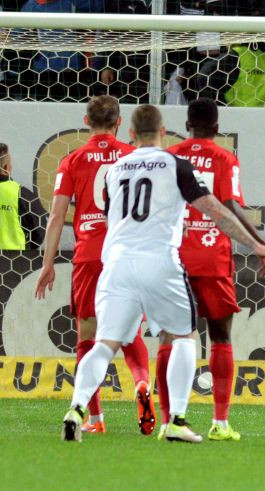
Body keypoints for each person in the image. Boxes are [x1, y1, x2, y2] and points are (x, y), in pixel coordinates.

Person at [60, 104, 265, 443]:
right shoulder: (175, 165)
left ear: (131, 134)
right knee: (184, 336)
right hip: (159, 261)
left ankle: (76, 408)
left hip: (116, 263)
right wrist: (258, 246)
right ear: (163, 132)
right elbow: (216, 211)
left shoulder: (115, 168)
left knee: (104, 343)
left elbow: (110, 210)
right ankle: (176, 419)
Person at [34, 96, 155, 435]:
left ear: (86, 121)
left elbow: (57, 215)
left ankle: (96, 419)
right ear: (120, 123)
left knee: (87, 336)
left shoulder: (72, 160)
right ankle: (142, 384)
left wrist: (48, 263)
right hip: (127, 253)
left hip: (89, 255)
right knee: (129, 332)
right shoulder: (133, 157)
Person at [161, 98, 264, 441]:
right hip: (213, 259)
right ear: (217, 128)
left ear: (187, 124)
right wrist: (259, 243)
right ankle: (220, 423)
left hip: (174, 259)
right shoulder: (224, 159)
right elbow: (231, 205)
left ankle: (168, 419)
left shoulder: (170, 156)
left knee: (171, 338)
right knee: (220, 338)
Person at [0, 143, 43, 250]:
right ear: (6, 167)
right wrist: (27, 250)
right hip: (14, 260)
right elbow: (39, 231)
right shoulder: (21, 193)